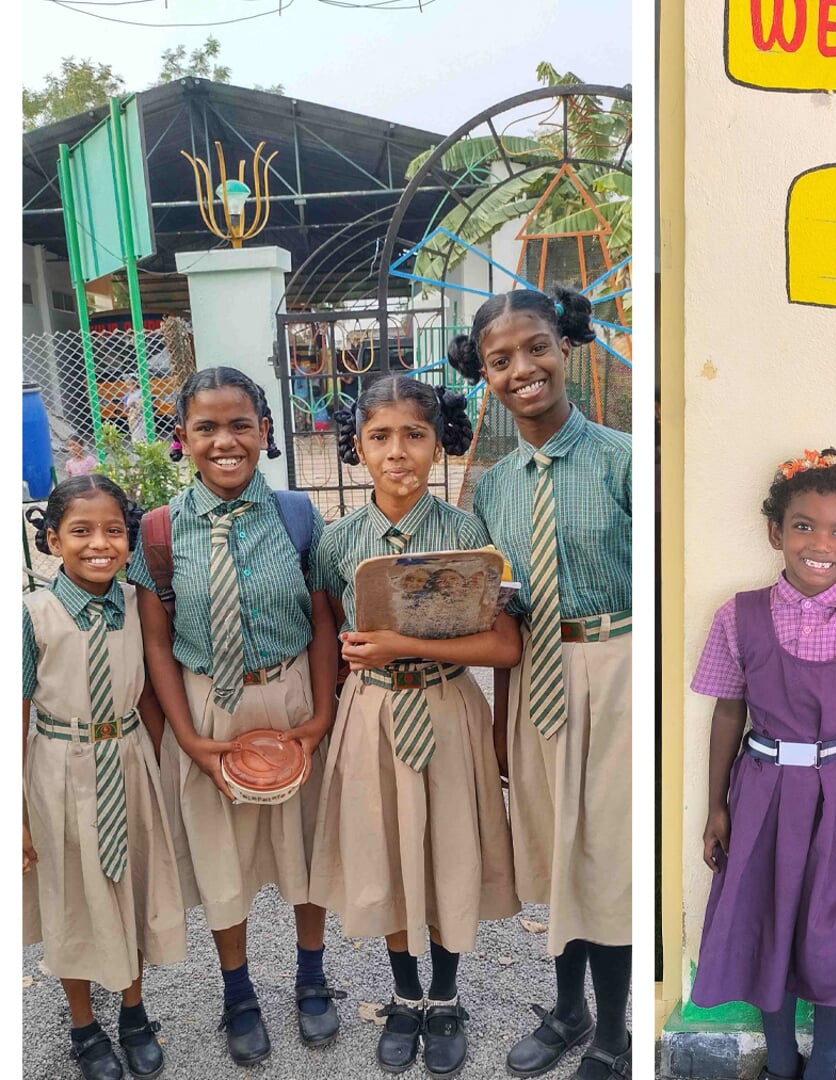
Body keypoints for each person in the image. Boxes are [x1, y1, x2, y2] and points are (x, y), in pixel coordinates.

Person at [128, 367, 343, 1066]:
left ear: (264, 431)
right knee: (223, 858)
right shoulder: (160, 530)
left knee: (305, 844)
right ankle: (238, 993)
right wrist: (189, 738)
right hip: (206, 706)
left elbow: (320, 623)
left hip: (289, 697)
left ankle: (311, 979)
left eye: (240, 424)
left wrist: (318, 719)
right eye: (206, 427)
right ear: (183, 439)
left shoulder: (296, 515)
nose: (225, 440)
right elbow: (156, 640)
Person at [307, 376, 522, 1076]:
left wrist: (408, 645)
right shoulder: (337, 542)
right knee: (389, 851)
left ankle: (447, 997)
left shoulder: (467, 536)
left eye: (414, 435)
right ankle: (404, 996)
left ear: (438, 443)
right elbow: (328, 637)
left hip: (447, 708)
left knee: (448, 848)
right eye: (379, 436)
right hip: (372, 713)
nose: (396, 452)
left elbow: (502, 647)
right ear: (357, 446)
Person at [449, 287, 634, 1080]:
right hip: (534, 676)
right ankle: (567, 1010)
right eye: (500, 360)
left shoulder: (624, 459)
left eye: (535, 348)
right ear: (484, 375)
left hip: (614, 667)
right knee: (554, 844)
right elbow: (498, 608)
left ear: (567, 347)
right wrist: (497, 722)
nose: (521, 369)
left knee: (607, 855)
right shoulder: (490, 488)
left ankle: (614, 1036)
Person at [691, 449, 836, 1080]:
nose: (821, 544)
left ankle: (824, 1062)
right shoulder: (738, 615)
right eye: (804, 525)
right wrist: (717, 804)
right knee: (767, 921)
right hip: (763, 792)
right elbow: (728, 714)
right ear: (776, 532)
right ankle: (781, 1060)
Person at [24, 476, 187, 1080]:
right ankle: (83, 1024)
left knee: (129, 884)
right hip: (58, 769)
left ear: (129, 538)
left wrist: (167, 764)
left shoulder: (136, 601)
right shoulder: (31, 614)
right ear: (52, 539)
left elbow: (147, 691)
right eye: (81, 531)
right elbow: (15, 712)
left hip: (127, 758)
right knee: (70, 894)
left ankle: (134, 1013)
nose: (100, 543)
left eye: (114, 530)